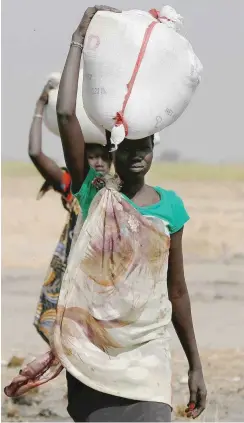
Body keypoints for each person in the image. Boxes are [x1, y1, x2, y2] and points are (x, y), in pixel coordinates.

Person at [54, 5, 207, 422]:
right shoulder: (94, 191)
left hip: (148, 355)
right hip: (93, 351)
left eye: (147, 147)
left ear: (155, 148)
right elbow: (66, 113)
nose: (139, 156)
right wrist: (79, 37)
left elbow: (177, 290)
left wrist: (195, 363)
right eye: (131, 147)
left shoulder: (171, 208)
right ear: (114, 150)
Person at [28, 80, 112, 344]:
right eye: (91, 156)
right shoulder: (73, 187)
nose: (97, 162)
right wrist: (40, 107)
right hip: (76, 274)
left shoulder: (121, 192)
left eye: (103, 157)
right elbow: (35, 152)